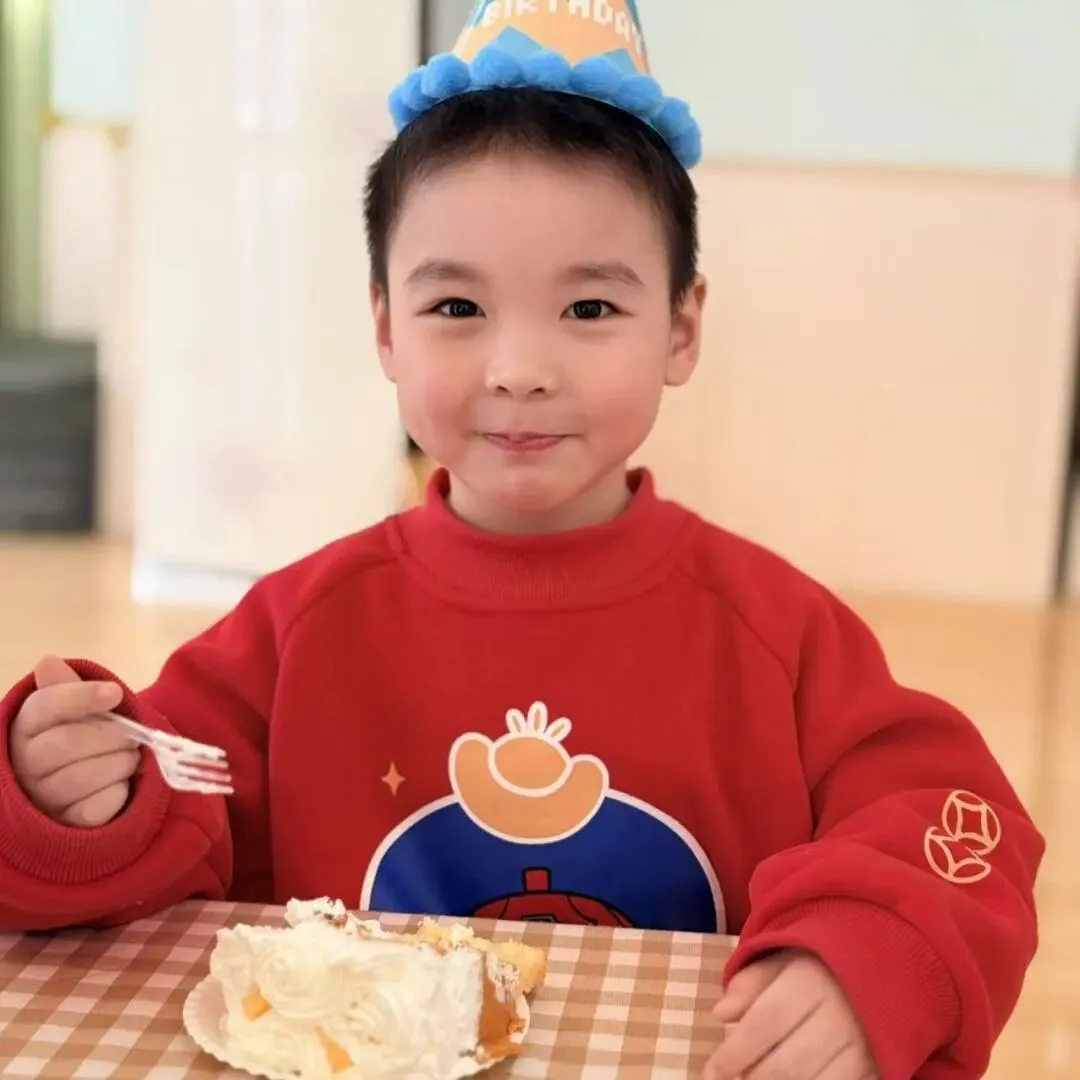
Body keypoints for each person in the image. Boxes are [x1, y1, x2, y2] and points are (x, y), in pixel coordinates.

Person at [0, 4, 1042, 1079]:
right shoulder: (297, 630)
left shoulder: (777, 633)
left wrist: (867, 955)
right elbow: (154, 806)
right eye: (457, 307)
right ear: (385, 327)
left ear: (682, 328)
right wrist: (67, 799)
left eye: (589, 310)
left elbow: (954, 822)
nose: (519, 371)